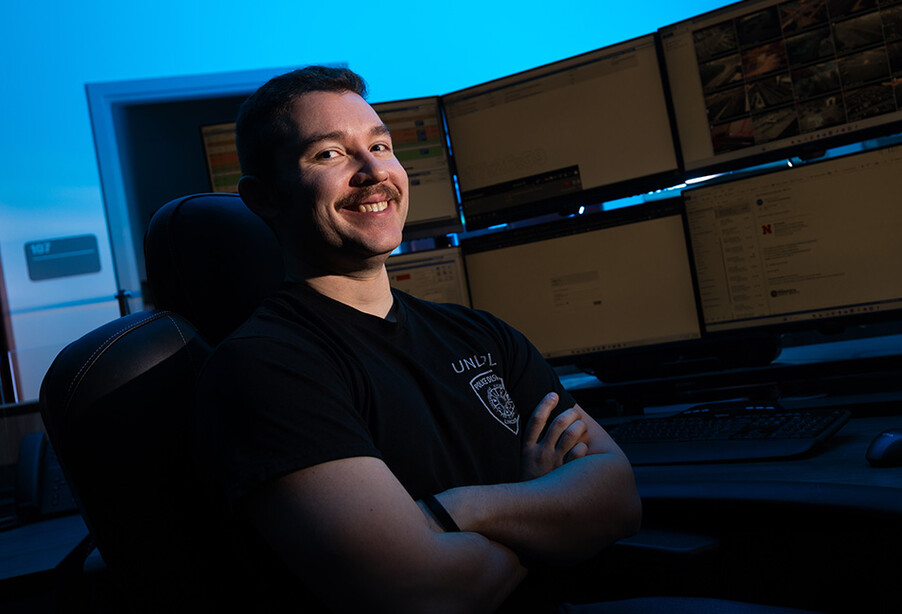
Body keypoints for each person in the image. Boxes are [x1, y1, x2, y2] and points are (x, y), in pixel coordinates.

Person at [193, 65, 642, 613]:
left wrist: (455, 511)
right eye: (329, 154)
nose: (372, 172)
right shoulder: (266, 368)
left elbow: (617, 499)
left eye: (379, 145)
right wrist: (539, 510)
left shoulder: (481, 334)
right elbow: (417, 591)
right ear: (263, 198)